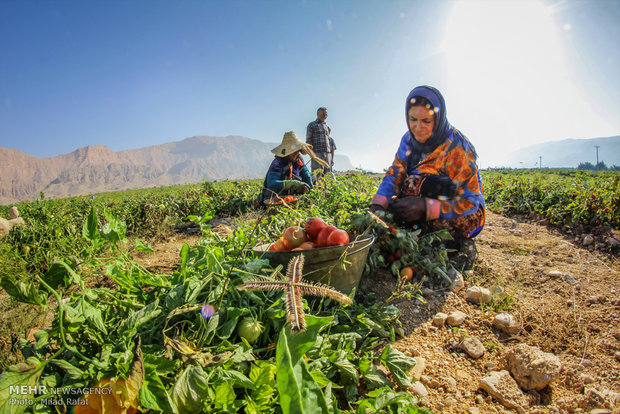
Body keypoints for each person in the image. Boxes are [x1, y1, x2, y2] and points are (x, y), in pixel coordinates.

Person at [369, 85, 485, 242]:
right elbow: (396, 172)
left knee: (414, 184)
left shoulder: (456, 148)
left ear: (438, 119)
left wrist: (427, 207)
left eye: (426, 121)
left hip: (463, 210)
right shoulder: (409, 139)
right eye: (413, 120)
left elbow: (470, 201)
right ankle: (418, 230)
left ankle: (454, 241)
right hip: (425, 198)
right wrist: (378, 205)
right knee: (397, 202)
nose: (418, 127)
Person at [259, 131, 328, 205]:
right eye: (293, 151)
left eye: (297, 150)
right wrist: (291, 184)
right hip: (276, 196)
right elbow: (271, 184)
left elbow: (305, 173)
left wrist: (309, 185)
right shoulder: (278, 163)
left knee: (313, 176)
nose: (296, 153)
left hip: (292, 195)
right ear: (287, 152)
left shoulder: (298, 159)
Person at [306, 107, 336, 178]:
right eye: (323, 114)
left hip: (327, 154)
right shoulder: (312, 125)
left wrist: (331, 158)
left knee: (328, 175)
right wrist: (312, 154)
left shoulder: (326, 127)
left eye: (326, 115)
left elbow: (329, 142)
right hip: (317, 154)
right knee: (317, 175)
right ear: (317, 114)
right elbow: (308, 140)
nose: (324, 116)